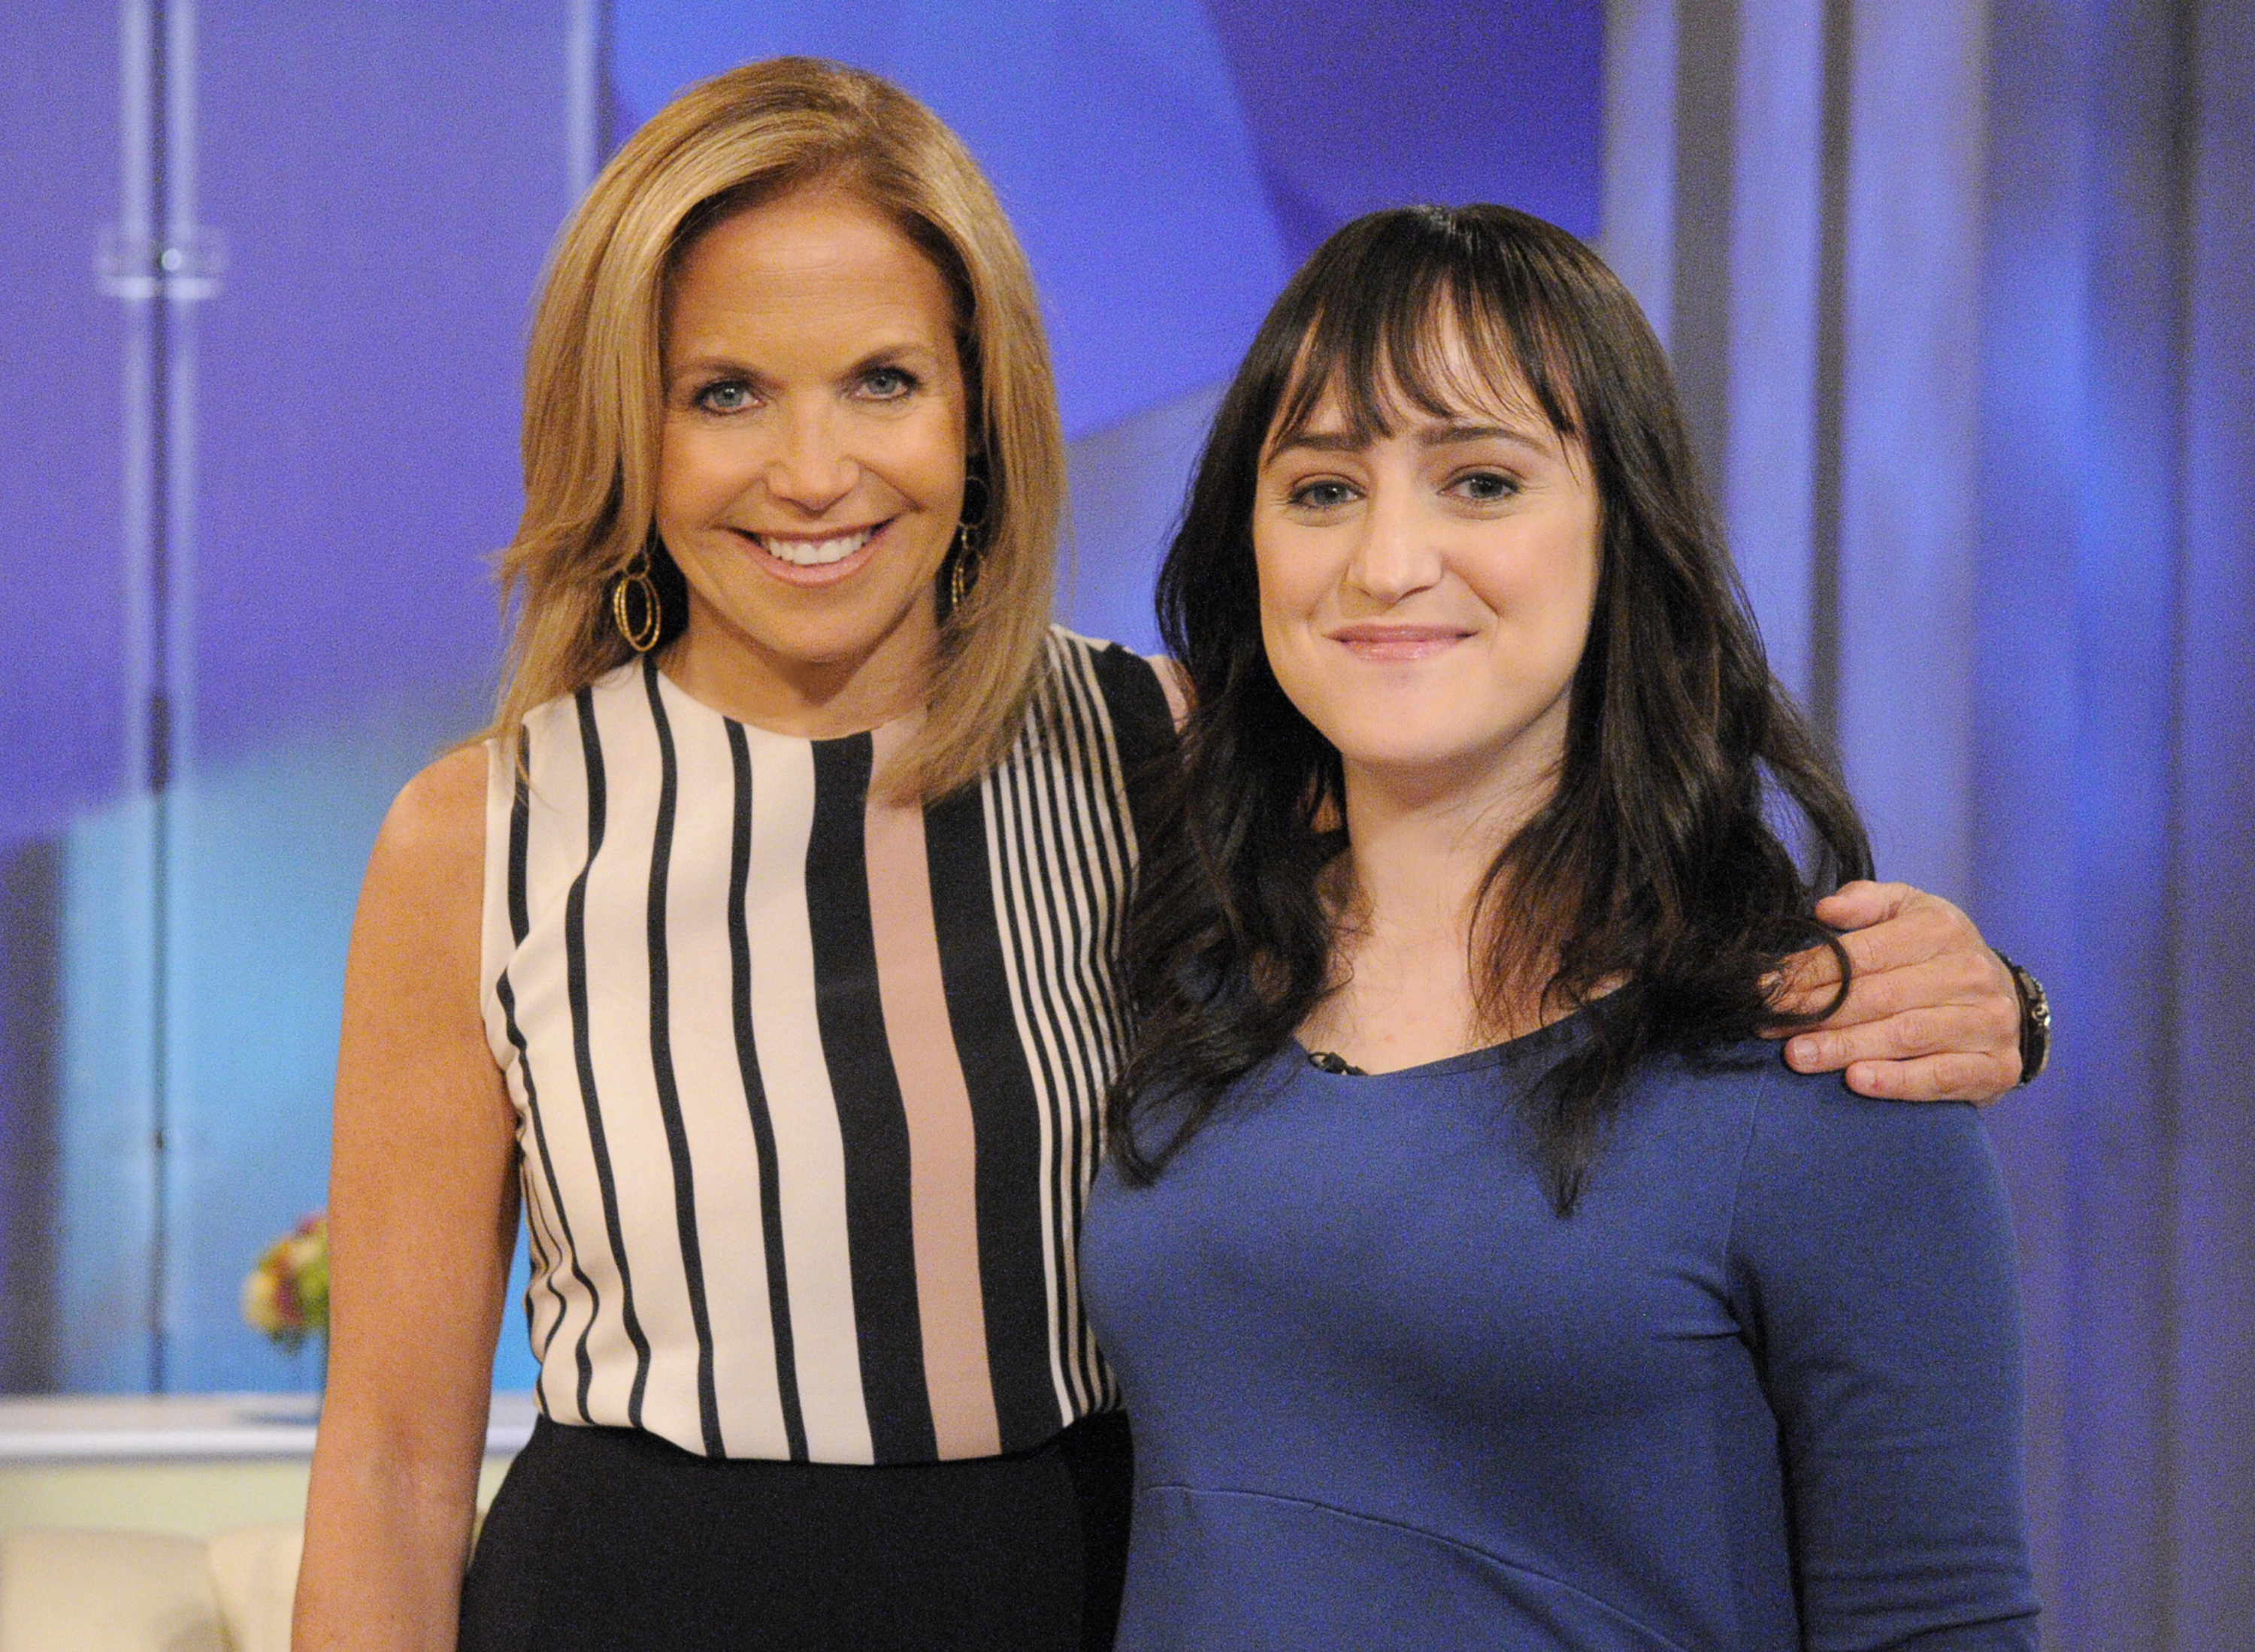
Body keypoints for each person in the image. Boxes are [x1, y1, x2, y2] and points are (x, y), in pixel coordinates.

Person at [292, 59, 2034, 1652]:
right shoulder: (485, 836)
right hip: (637, 1600)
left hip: (1083, 1590)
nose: (810, 469)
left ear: (979, 416)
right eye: (724, 390)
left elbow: (1560, 923)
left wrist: (1987, 998)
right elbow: (381, 1461)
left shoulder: (1170, 751)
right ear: (626, 421)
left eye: (884, 380)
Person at [1082, 204, 2041, 1649]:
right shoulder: (1181, 956)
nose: (1389, 561)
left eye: (1479, 479)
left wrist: (2015, 1004)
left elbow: (1938, 1622)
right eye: (1323, 488)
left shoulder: (1822, 1055)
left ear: (1623, 535)